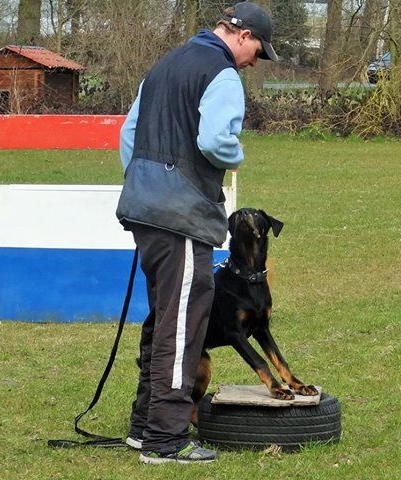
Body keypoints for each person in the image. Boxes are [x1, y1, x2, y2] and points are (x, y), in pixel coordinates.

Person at [116, 2, 278, 465]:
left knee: (164, 315)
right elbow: (214, 142)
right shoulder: (221, 73)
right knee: (184, 322)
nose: (253, 63)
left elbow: (128, 136)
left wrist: (147, 187)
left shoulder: (164, 65)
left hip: (143, 209)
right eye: (257, 52)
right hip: (182, 214)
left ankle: (143, 425)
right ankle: (165, 439)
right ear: (241, 36)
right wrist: (236, 154)